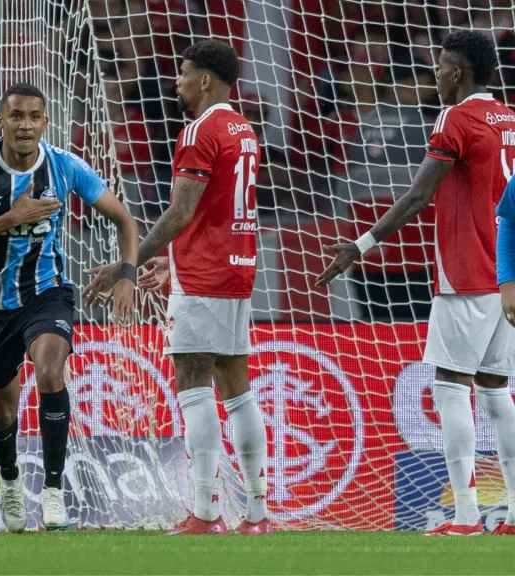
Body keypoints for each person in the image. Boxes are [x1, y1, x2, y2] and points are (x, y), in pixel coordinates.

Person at [317, 30, 515, 537]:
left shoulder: (456, 118)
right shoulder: (509, 118)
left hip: (467, 274)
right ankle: (511, 514)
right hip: (506, 275)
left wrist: (359, 245)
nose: (435, 77)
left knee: (451, 388)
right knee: (496, 392)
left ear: (458, 72)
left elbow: (419, 195)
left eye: (440, 68)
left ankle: (467, 516)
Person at [84, 40, 271, 536]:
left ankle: (207, 513)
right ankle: (256, 513)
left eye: (184, 72)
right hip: (238, 268)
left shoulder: (200, 129)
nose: (177, 81)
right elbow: (217, 212)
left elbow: (182, 211)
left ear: (205, 80)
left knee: (193, 381)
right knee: (237, 389)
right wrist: (174, 259)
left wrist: (129, 264)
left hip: (207, 274)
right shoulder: (243, 128)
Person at [0, 82, 139, 532]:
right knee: (3, 412)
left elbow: (124, 219)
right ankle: (9, 480)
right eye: (16, 116)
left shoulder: (64, 166)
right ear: (1, 122)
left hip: (48, 293)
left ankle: (51, 491)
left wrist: (128, 274)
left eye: (33, 117)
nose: (24, 125)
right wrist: (11, 218)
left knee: (50, 373)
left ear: (45, 122)